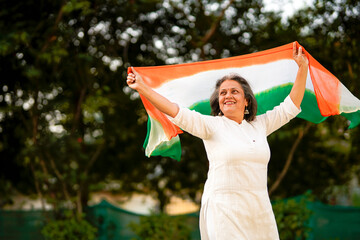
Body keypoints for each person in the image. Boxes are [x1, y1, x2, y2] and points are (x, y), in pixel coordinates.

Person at [127, 42, 309, 240]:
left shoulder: (260, 125)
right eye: (223, 93)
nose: (227, 96)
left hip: (259, 211)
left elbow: (291, 106)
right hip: (224, 210)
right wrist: (142, 88)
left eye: (234, 91)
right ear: (218, 101)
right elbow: (173, 109)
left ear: (246, 100)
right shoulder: (210, 125)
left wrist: (302, 68)